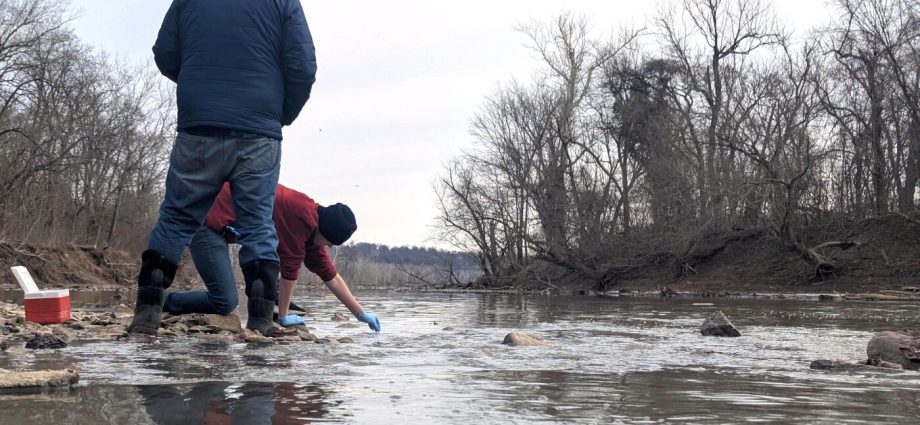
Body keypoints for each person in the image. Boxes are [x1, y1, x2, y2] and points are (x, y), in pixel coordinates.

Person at [129, 0, 317, 335]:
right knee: (257, 224)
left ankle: (145, 319)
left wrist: (198, 85)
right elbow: (302, 68)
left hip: (199, 126)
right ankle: (260, 325)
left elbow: (165, 54)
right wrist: (279, 114)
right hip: (259, 132)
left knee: (176, 216)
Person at [163, 183, 381, 333]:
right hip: (205, 220)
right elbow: (290, 272)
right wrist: (283, 317)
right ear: (324, 230)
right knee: (226, 301)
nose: (330, 246)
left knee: (266, 278)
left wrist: (360, 314)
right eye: (330, 241)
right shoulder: (301, 218)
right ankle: (161, 301)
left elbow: (331, 276)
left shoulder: (314, 228)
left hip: (221, 227)